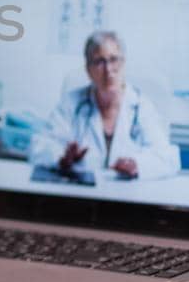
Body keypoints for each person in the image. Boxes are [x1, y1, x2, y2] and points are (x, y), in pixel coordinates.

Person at [29, 30, 178, 182]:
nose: (108, 70)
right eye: (99, 62)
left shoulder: (141, 107)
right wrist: (62, 157)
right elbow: (39, 147)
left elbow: (167, 158)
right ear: (88, 69)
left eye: (114, 60)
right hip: (81, 196)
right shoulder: (72, 104)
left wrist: (137, 164)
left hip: (129, 197)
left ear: (123, 63)